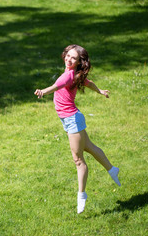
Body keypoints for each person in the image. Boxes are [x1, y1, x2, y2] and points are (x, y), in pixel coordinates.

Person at [34, 44, 121, 214]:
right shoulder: (76, 74)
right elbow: (89, 83)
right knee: (89, 147)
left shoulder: (68, 76)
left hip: (72, 120)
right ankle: (112, 169)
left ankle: (82, 195)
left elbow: (56, 87)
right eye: (68, 56)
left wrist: (43, 91)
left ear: (79, 62)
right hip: (72, 119)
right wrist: (100, 91)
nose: (69, 59)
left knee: (78, 160)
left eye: (73, 58)